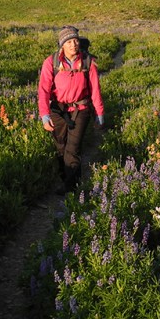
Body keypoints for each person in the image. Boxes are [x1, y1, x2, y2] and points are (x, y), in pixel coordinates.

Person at [38, 26, 105, 193]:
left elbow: (95, 89)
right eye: (69, 42)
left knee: (72, 149)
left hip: (80, 109)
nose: (73, 44)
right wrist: (45, 115)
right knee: (61, 147)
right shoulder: (51, 62)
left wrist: (99, 113)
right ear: (62, 45)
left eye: (75, 40)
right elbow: (44, 90)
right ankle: (66, 181)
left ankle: (72, 189)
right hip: (58, 110)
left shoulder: (88, 62)